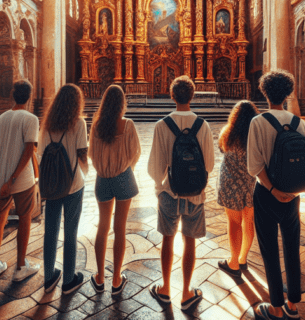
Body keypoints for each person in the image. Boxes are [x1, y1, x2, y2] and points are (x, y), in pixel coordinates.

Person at [147, 76, 214, 311]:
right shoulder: (203, 125)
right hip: (195, 193)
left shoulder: (161, 124)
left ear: (171, 95)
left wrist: (160, 187)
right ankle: (186, 293)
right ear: (193, 95)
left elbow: (154, 167)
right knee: (189, 241)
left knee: (167, 239)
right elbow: (210, 164)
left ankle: (165, 288)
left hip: (168, 192)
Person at [248, 70, 305, 320]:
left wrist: (273, 189)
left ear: (264, 92)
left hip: (266, 195)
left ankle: (274, 308)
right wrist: (291, 192)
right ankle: (293, 305)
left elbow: (254, 165)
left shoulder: (258, 122)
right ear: (288, 93)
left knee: (269, 249)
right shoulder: (300, 123)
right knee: (292, 248)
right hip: (294, 196)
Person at [89, 84, 140, 296]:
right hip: (123, 178)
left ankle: (100, 277)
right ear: (122, 103)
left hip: (102, 179)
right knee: (120, 229)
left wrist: (105, 167)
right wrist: (124, 167)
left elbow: (92, 154)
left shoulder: (96, 126)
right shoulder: (127, 125)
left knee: (102, 227)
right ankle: (117, 279)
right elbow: (135, 153)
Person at [0, 80, 40, 283]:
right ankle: (20, 267)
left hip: (2, 177)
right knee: (24, 218)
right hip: (21, 179)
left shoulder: (1, 118)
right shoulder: (31, 118)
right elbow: (29, 151)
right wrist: (14, 178)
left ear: (12, 95)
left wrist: (0, 177)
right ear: (29, 96)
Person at [39, 84, 89, 294]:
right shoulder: (79, 123)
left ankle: (49, 277)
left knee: (50, 230)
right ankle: (69, 280)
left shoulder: (47, 124)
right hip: (73, 184)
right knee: (71, 231)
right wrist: (85, 172)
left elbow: (41, 154)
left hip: (51, 184)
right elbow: (82, 155)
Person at [217, 100, 258, 280]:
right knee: (248, 221)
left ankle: (233, 263)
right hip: (249, 182)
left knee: (234, 222)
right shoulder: (257, 135)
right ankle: (242, 259)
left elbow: (221, 148)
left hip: (230, 182)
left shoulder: (227, 132)